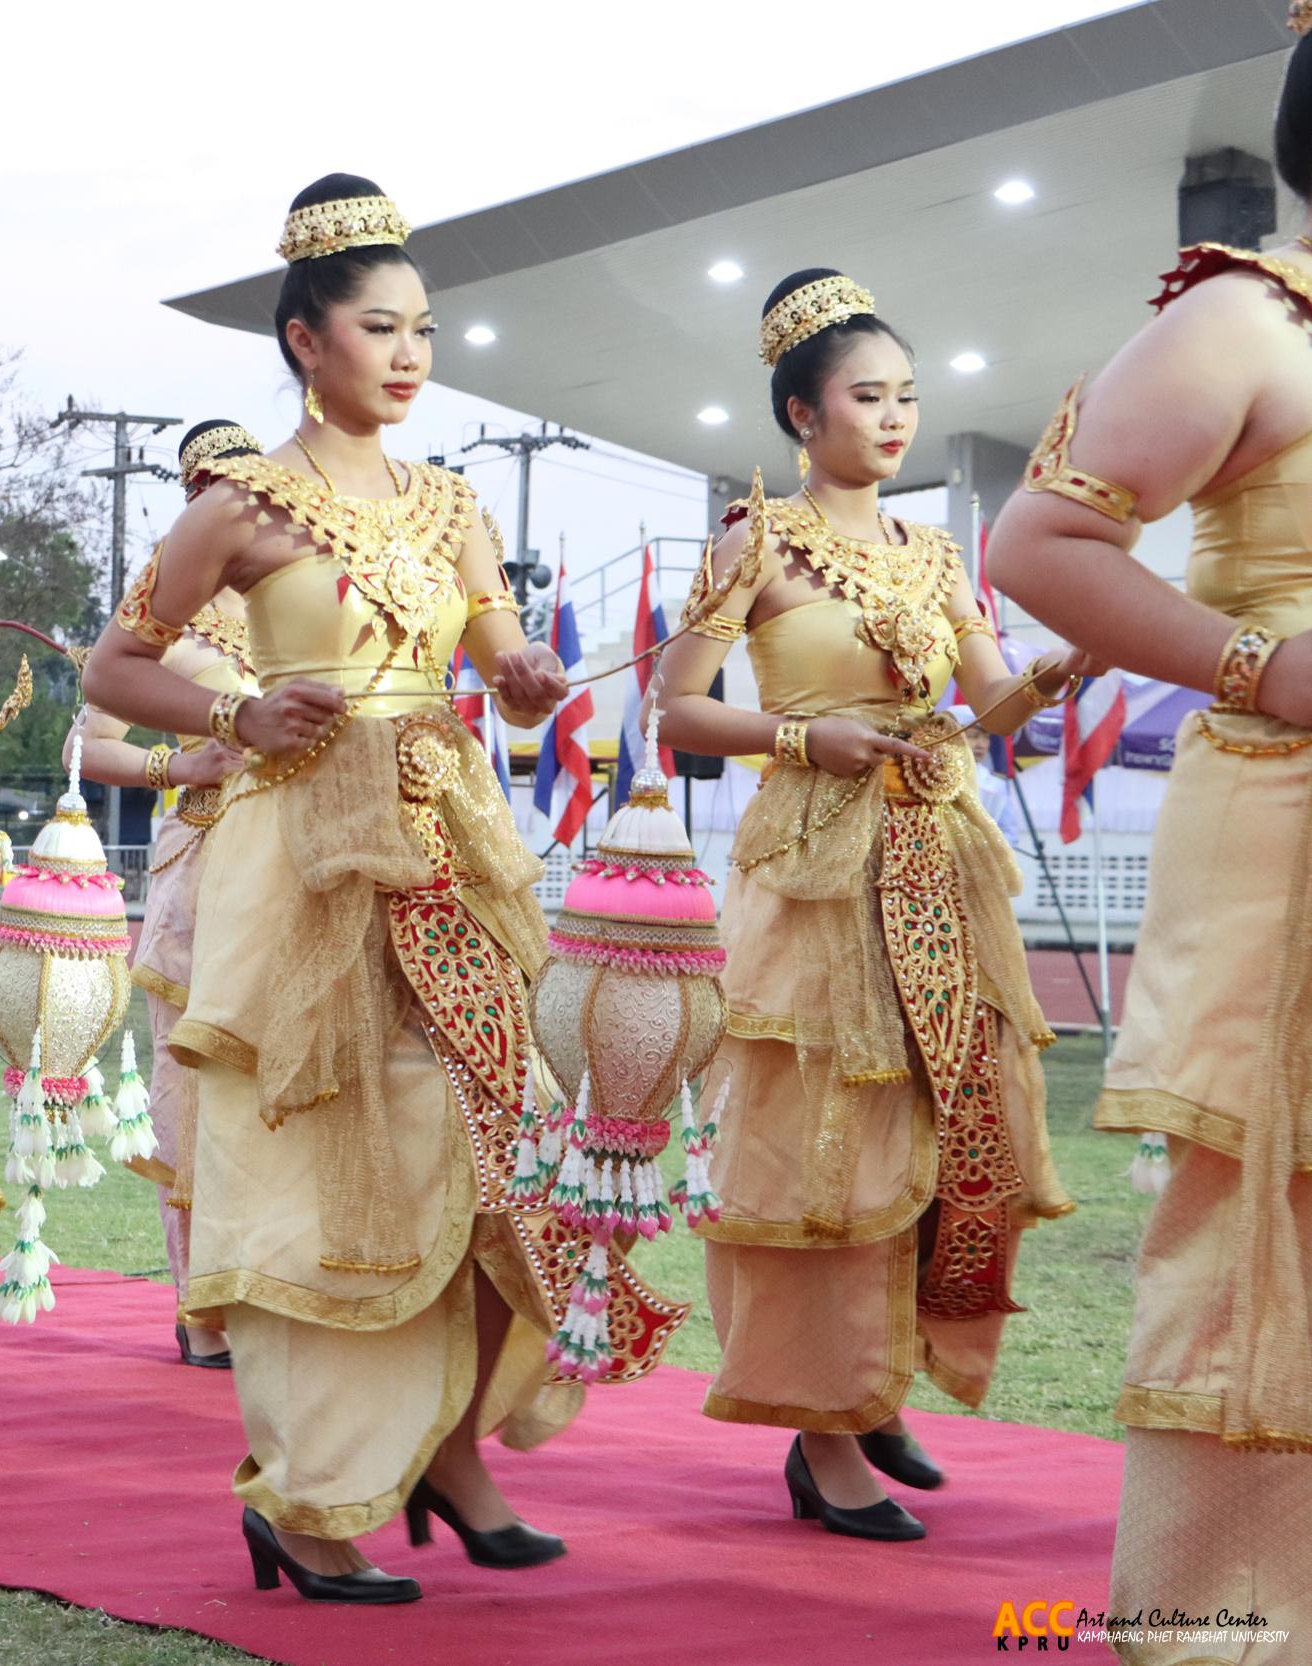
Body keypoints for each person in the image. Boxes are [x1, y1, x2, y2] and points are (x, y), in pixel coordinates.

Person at [83, 175, 678, 1604]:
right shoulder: (242, 508)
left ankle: (454, 1451)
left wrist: (527, 674)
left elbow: (504, 658)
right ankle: (308, 1494)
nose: (411, 353)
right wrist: (233, 719)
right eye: (380, 327)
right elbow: (116, 670)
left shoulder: (451, 500)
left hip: (448, 838)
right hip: (300, 855)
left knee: (492, 1131)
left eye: (425, 329)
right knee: (327, 1154)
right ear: (305, 340)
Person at [653, 269, 1084, 1543]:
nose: (893, 419)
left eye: (906, 397)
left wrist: (1045, 688)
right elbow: (674, 709)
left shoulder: (938, 549)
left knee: (951, 1127)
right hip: (817, 874)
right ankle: (824, 1432)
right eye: (866, 396)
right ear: (802, 413)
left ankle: (877, 1376)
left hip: (939, 863)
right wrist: (801, 736)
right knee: (826, 1144)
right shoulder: (758, 541)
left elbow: (987, 700)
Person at [983, 15, 1312, 1649]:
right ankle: (1232, 1620)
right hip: (1292, 822)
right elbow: (1038, 540)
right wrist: (1267, 663)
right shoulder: (1253, 320)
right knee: (1270, 1228)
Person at [65, 419, 260, 1369]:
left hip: (298, 866)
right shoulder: (161, 611)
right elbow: (87, 745)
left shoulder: (304, 603)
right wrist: (181, 761)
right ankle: (202, 1305)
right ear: (191, 501)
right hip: (204, 864)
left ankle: (278, 1285)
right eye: (212, 488)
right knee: (192, 1088)